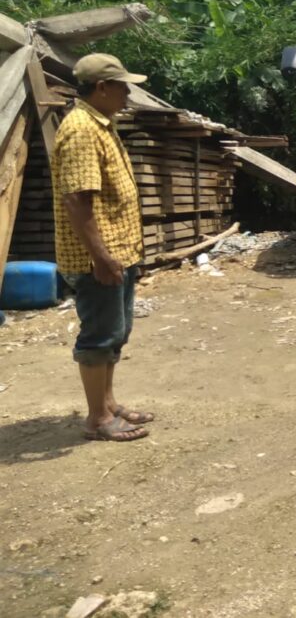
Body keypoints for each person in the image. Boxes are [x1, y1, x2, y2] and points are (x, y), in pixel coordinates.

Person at [52, 54, 152, 442]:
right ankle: (97, 418)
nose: (128, 93)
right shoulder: (80, 129)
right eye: (123, 86)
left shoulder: (101, 124)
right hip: (99, 257)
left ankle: (109, 404)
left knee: (117, 330)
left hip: (118, 251)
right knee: (99, 335)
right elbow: (78, 200)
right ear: (102, 88)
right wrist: (101, 256)